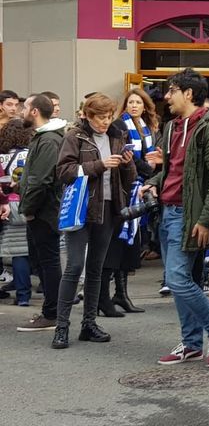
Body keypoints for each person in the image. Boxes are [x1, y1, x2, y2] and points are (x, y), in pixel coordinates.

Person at [143, 68, 209, 368]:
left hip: (189, 214)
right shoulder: (172, 128)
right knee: (180, 279)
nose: (166, 97)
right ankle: (192, 343)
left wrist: (206, 219)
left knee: (178, 279)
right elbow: (171, 172)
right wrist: (154, 184)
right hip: (169, 213)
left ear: (188, 94)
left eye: (171, 90)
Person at [52, 93, 136, 348]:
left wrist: (126, 164)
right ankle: (61, 326)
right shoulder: (75, 136)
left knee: (97, 268)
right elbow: (63, 172)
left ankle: (89, 323)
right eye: (100, 118)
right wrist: (99, 165)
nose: (105, 122)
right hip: (81, 208)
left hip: (109, 208)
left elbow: (129, 179)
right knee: (75, 266)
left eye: (109, 117)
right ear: (88, 116)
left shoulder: (117, 136)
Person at [107, 88, 162, 315]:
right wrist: (148, 169)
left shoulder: (150, 127)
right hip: (127, 186)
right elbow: (127, 157)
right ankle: (115, 293)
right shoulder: (121, 126)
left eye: (138, 102)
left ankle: (122, 293)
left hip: (144, 183)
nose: (134, 106)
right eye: (131, 102)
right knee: (122, 239)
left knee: (132, 242)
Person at [16, 95, 67, 332]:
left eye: (24, 107)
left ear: (35, 111)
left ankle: (52, 313)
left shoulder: (48, 140)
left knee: (48, 262)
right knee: (43, 261)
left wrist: (28, 208)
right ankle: (51, 311)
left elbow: (41, 180)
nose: (21, 111)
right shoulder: (44, 137)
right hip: (41, 209)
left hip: (44, 211)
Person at [0, 120, 30, 306]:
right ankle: (26, 295)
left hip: (7, 205)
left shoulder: (1, 157)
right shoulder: (31, 154)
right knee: (25, 252)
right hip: (27, 204)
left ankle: (20, 294)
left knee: (14, 250)